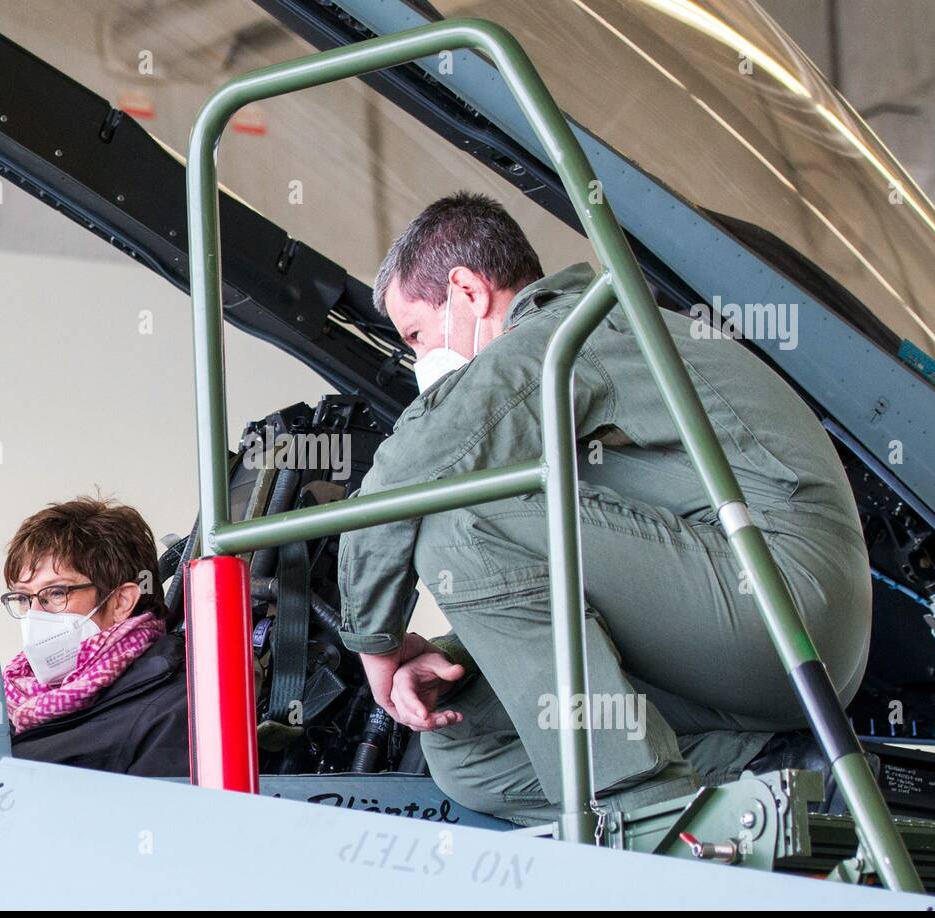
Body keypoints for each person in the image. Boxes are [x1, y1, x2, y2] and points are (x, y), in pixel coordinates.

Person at [337, 192, 872, 824]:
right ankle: (761, 769)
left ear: (467, 292)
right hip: (751, 649)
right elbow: (605, 562)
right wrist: (459, 654)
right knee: (464, 743)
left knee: (460, 522)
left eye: (416, 336)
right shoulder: (571, 352)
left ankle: (634, 822)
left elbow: (413, 471)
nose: (420, 362)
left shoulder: (573, 331)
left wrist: (376, 645)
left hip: (785, 597)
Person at [1, 496, 189, 777]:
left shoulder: (171, 712)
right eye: (23, 598)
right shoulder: (15, 696)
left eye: (55, 593)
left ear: (122, 601)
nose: (34, 614)